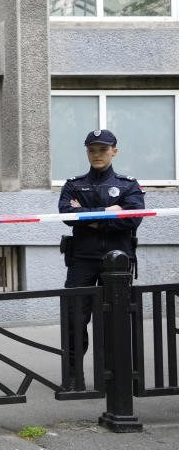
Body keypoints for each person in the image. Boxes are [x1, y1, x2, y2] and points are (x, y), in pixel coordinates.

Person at [57, 129, 145, 387]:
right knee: (74, 317)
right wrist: (108, 211)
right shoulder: (74, 184)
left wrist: (88, 218)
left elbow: (132, 219)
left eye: (103, 150)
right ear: (87, 152)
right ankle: (74, 376)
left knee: (115, 320)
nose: (97, 154)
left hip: (116, 262)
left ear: (114, 152)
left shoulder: (128, 184)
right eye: (92, 150)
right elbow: (67, 214)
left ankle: (113, 377)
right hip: (82, 260)